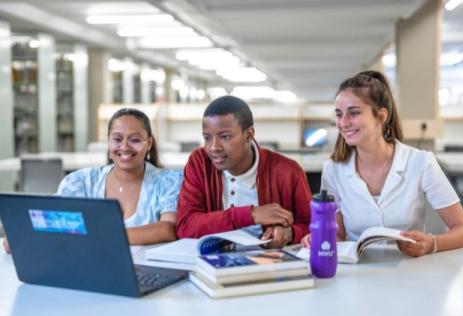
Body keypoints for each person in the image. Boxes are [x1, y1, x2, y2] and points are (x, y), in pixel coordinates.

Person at [302, 71, 463, 257]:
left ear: (381, 116)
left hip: (410, 270)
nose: (343, 123)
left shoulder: (421, 162)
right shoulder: (333, 169)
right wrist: (320, 237)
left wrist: (431, 243)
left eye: (354, 113)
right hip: (358, 273)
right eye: (339, 114)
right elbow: (339, 235)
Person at [3, 108, 182, 253]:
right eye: (117, 139)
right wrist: (22, 235)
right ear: (108, 141)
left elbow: (167, 229)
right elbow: (55, 223)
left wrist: (96, 236)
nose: (124, 147)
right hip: (88, 270)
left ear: (149, 143)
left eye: (135, 140)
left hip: (148, 274)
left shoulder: (168, 181)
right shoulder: (80, 181)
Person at [176, 95, 311, 248]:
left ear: (249, 134)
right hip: (215, 264)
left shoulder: (288, 171)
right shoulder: (199, 162)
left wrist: (290, 234)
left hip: (268, 264)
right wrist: (251, 214)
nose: (213, 147)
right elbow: (185, 227)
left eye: (225, 137)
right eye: (207, 138)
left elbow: (313, 226)